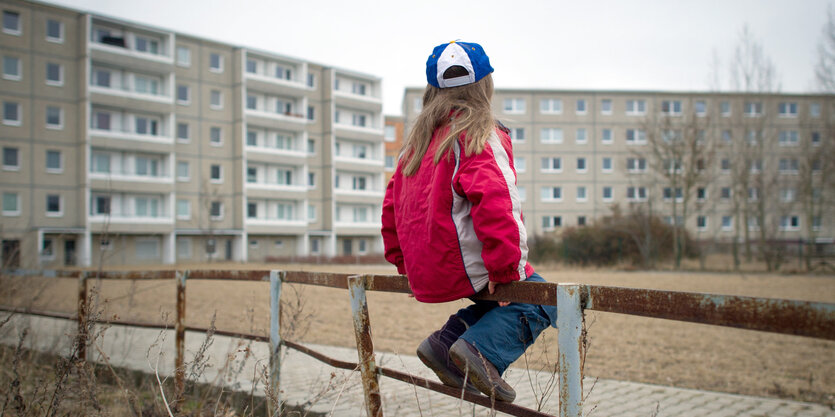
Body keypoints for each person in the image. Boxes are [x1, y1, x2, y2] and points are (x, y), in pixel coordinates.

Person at [381, 41, 557, 403]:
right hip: (464, 265)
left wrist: (403, 263)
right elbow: (498, 204)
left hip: (427, 271)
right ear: (485, 85)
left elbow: (390, 208)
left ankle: (444, 345)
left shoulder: (415, 145)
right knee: (543, 298)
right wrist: (508, 271)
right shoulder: (478, 132)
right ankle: (481, 352)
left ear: (432, 91)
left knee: (497, 303)